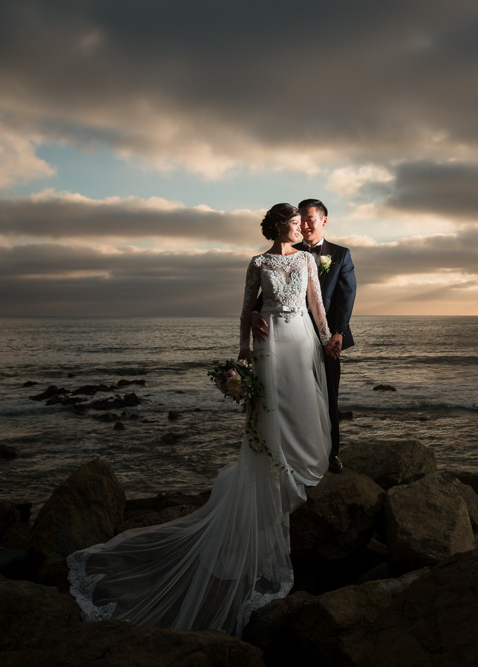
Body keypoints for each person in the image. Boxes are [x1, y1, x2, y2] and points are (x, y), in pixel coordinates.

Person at [67, 203, 336, 635]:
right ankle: (275, 465)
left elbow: (317, 304)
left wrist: (326, 340)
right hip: (269, 341)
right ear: (276, 226)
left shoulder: (307, 259)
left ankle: (304, 462)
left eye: (298, 221)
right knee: (270, 408)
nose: (297, 226)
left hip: (301, 337)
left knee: (302, 400)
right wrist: (245, 349)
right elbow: (247, 305)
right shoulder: (258, 262)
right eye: (290, 221)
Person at [252, 198, 356, 473]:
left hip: (328, 337)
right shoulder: (286, 251)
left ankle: (331, 453)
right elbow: (265, 293)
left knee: (328, 395)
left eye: (311, 219)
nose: (306, 224)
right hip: (289, 336)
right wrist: (253, 313)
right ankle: (290, 452)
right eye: (302, 219)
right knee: (290, 394)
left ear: (323, 221)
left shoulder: (340, 254)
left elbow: (346, 297)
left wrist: (337, 334)